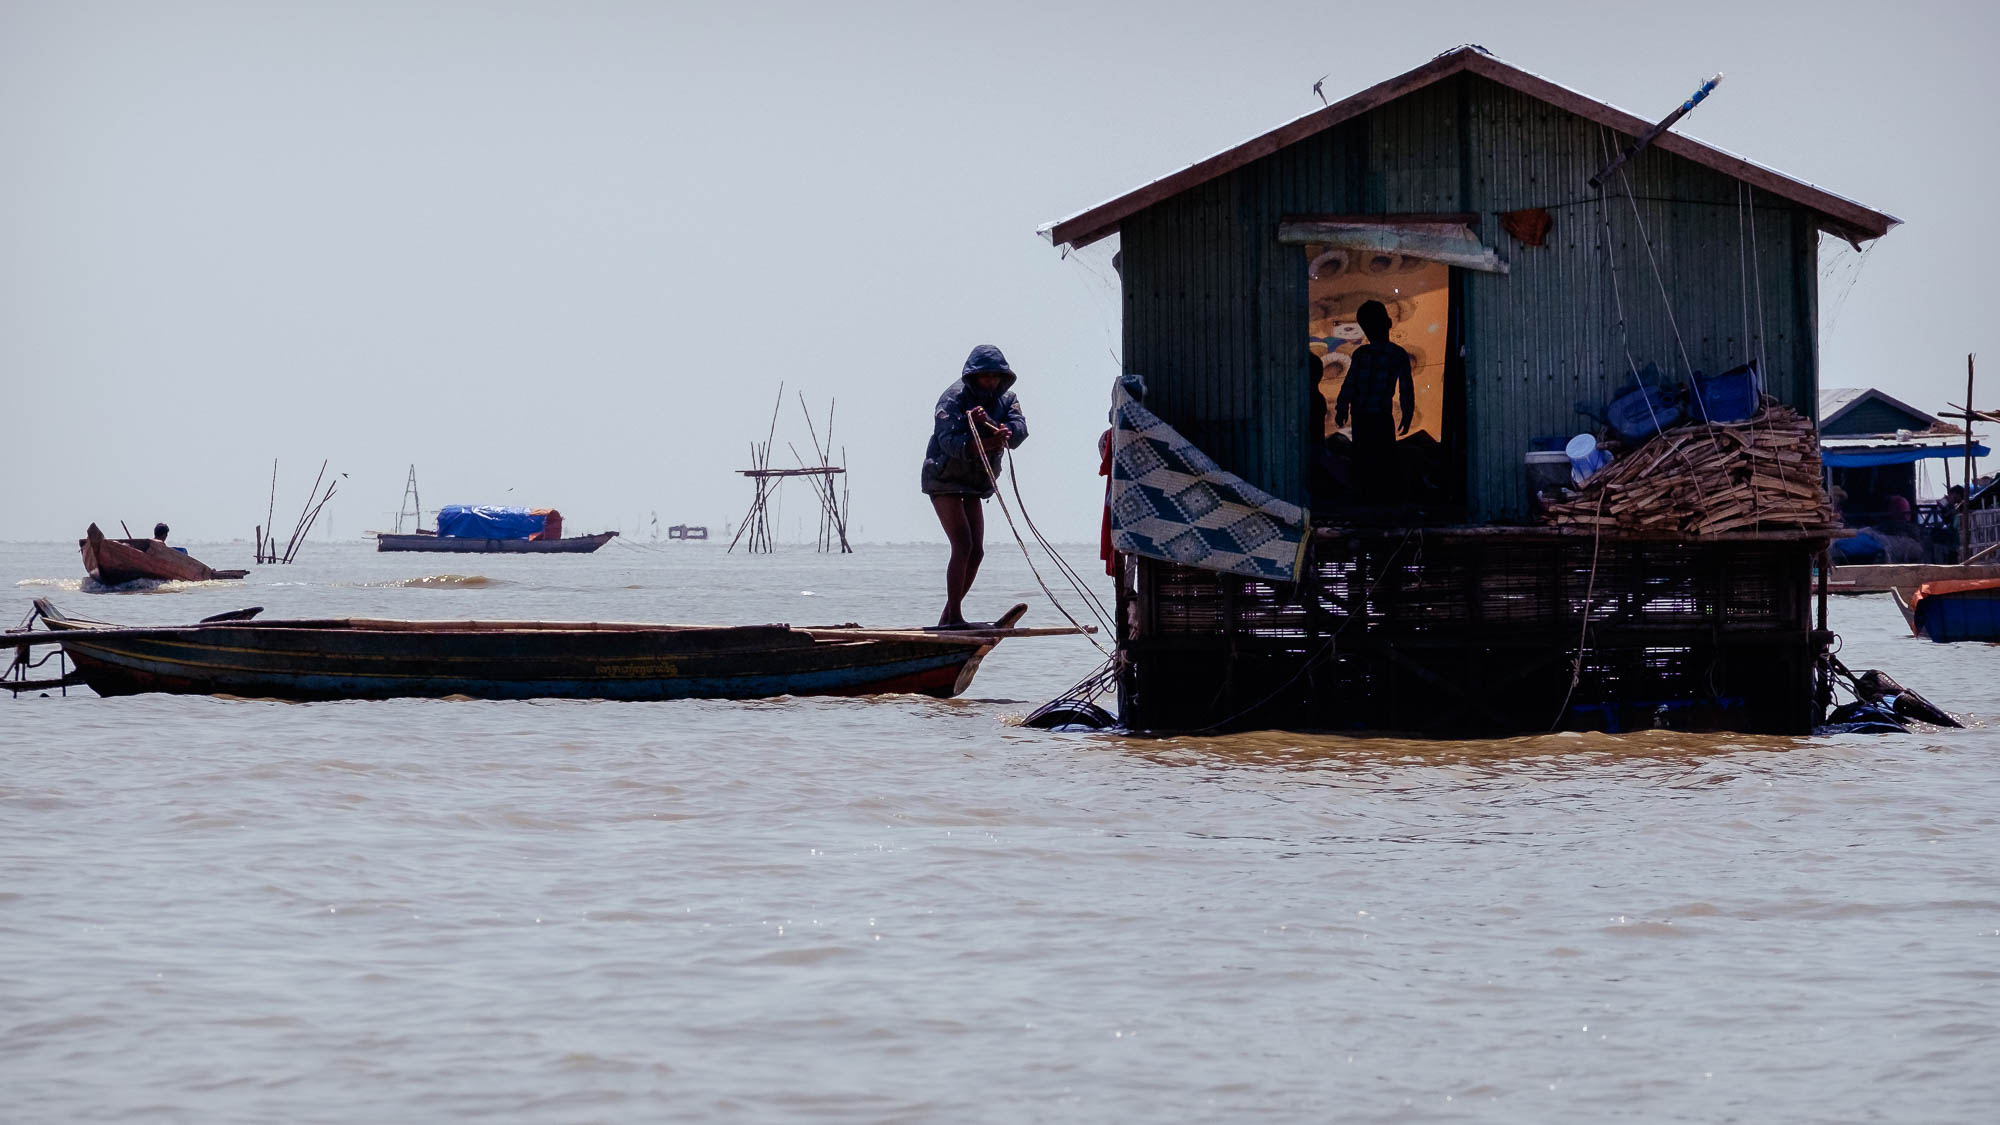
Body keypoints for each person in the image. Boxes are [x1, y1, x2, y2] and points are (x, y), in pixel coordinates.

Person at [920, 344, 1028, 628]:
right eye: (985, 377)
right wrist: (985, 442)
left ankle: (948, 617)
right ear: (973, 377)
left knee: (977, 551)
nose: (991, 382)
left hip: (974, 482)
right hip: (944, 477)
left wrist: (997, 428)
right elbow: (948, 442)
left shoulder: (1007, 400)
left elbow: (1018, 433)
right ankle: (954, 616)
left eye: (995, 377)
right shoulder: (953, 399)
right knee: (963, 544)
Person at [1333, 300, 1414, 503]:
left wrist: (1342, 407)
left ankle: (1366, 496)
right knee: (1384, 458)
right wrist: (1407, 412)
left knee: (1362, 457)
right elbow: (1406, 388)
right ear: (1388, 323)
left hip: (1361, 415)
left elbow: (1350, 385)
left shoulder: (1362, 354)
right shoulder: (1397, 354)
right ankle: (1382, 497)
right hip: (1381, 416)